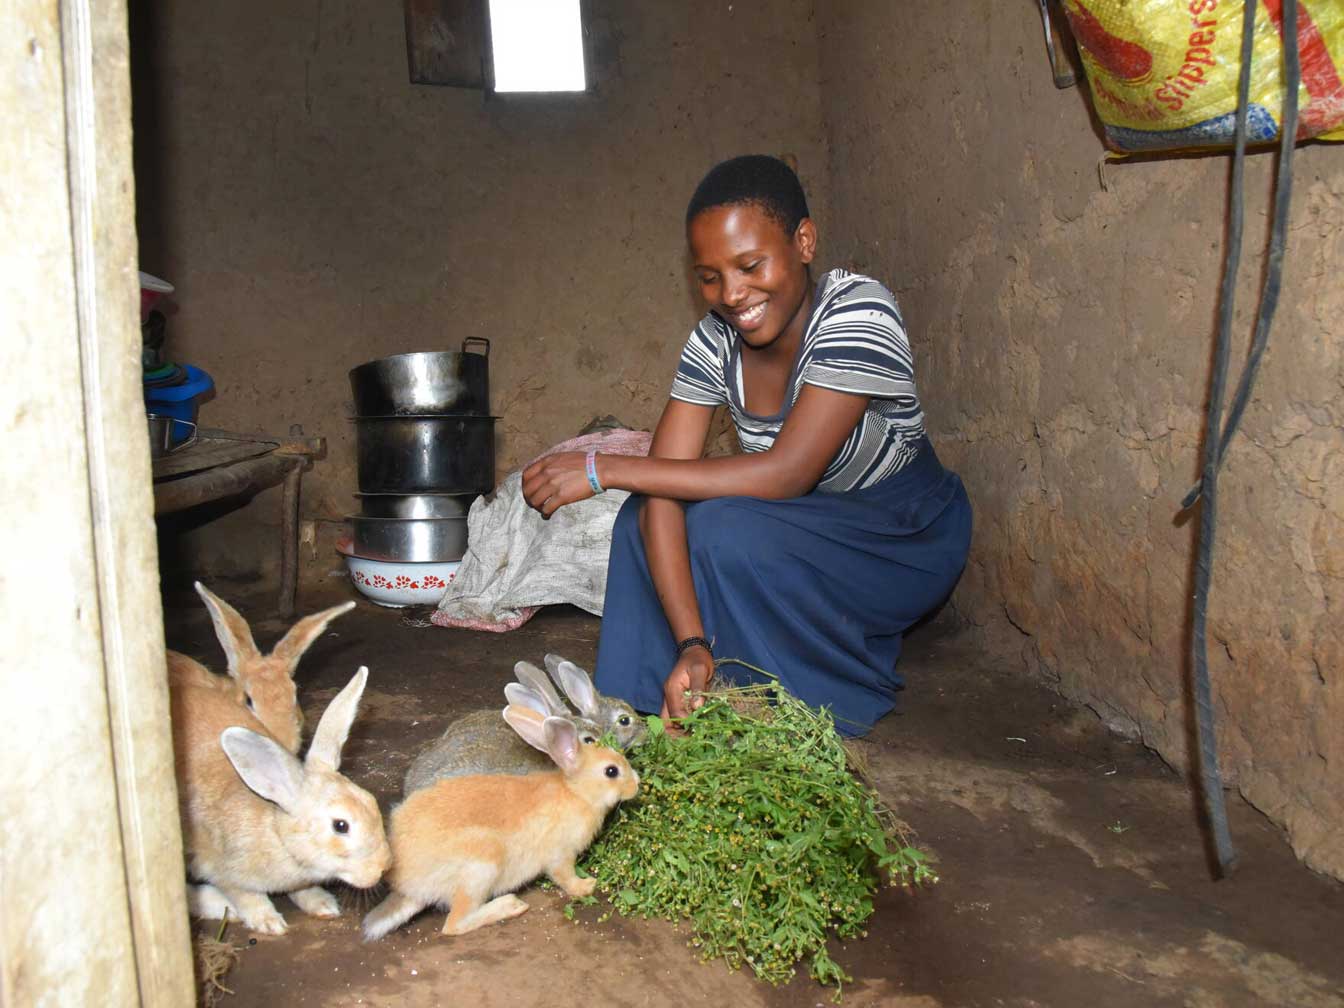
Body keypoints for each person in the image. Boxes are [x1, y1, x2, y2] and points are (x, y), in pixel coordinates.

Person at [521, 155, 971, 735]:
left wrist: (603, 467)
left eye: (750, 265)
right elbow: (663, 483)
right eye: (710, 276)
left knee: (724, 527)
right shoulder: (714, 341)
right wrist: (691, 640)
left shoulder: (858, 309)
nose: (732, 294)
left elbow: (786, 474)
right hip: (802, 530)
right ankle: (666, 699)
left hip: (901, 537)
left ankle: (787, 709)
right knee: (641, 519)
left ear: (804, 242)